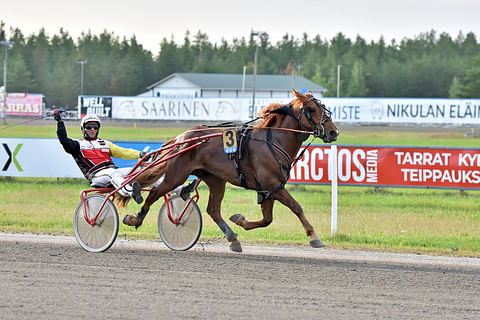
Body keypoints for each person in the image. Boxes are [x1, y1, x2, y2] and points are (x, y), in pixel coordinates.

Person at [54, 111, 197, 204]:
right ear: (83, 128)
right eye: (89, 127)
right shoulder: (78, 144)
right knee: (113, 173)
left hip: (113, 173)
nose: (92, 130)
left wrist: (140, 155)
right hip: (97, 176)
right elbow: (64, 142)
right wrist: (60, 122)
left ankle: (180, 190)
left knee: (145, 172)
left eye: (95, 127)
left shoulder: (104, 143)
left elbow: (123, 152)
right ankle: (130, 192)